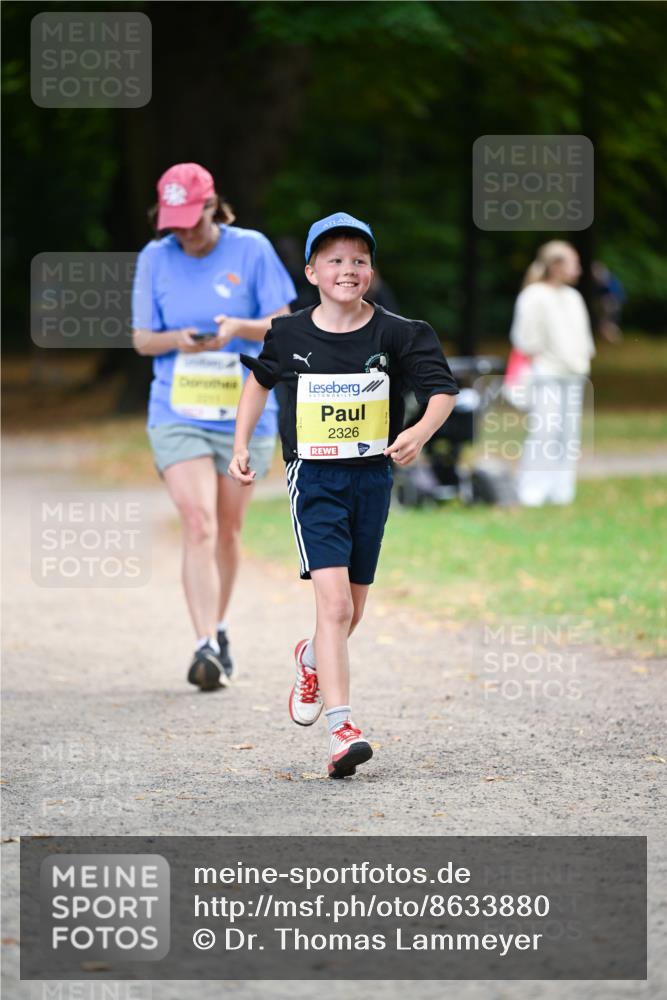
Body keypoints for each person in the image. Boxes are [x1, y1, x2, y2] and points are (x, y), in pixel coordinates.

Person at [228, 212, 459, 777]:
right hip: (315, 480)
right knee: (331, 606)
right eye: (334, 260)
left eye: (358, 260)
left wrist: (418, 433)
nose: (347, 270)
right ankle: (342, 730)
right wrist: (241, 447)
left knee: (351, 611)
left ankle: (310, 659)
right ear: (311, 272)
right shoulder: (287, 334)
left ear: (372, 270)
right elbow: (257, 383)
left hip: (372, 480)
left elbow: (443, 392)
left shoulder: (401, 334)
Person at [132, 162, 296, 690]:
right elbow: (141, 340)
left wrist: (238, 330)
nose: (183, 231)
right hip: (177, 411)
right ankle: (203, 643)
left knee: (227, 529)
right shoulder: (154, 258)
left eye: (191, 219)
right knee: (198, 523)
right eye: (172, 220)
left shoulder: (252, 249)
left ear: (212, 206)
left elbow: (285, 323)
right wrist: (177, 337)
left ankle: (220, 626)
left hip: (244, 412)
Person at [509, 240, 595, 507]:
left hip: (573, 375)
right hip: (545, 374)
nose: (578, 269)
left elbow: (583, 338)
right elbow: (525, 339)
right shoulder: (533, 295)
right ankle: (531, 491)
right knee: (545, 431)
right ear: (555, 265)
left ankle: (561, 491)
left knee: (568, 434)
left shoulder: (573, 297)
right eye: (573, 262)